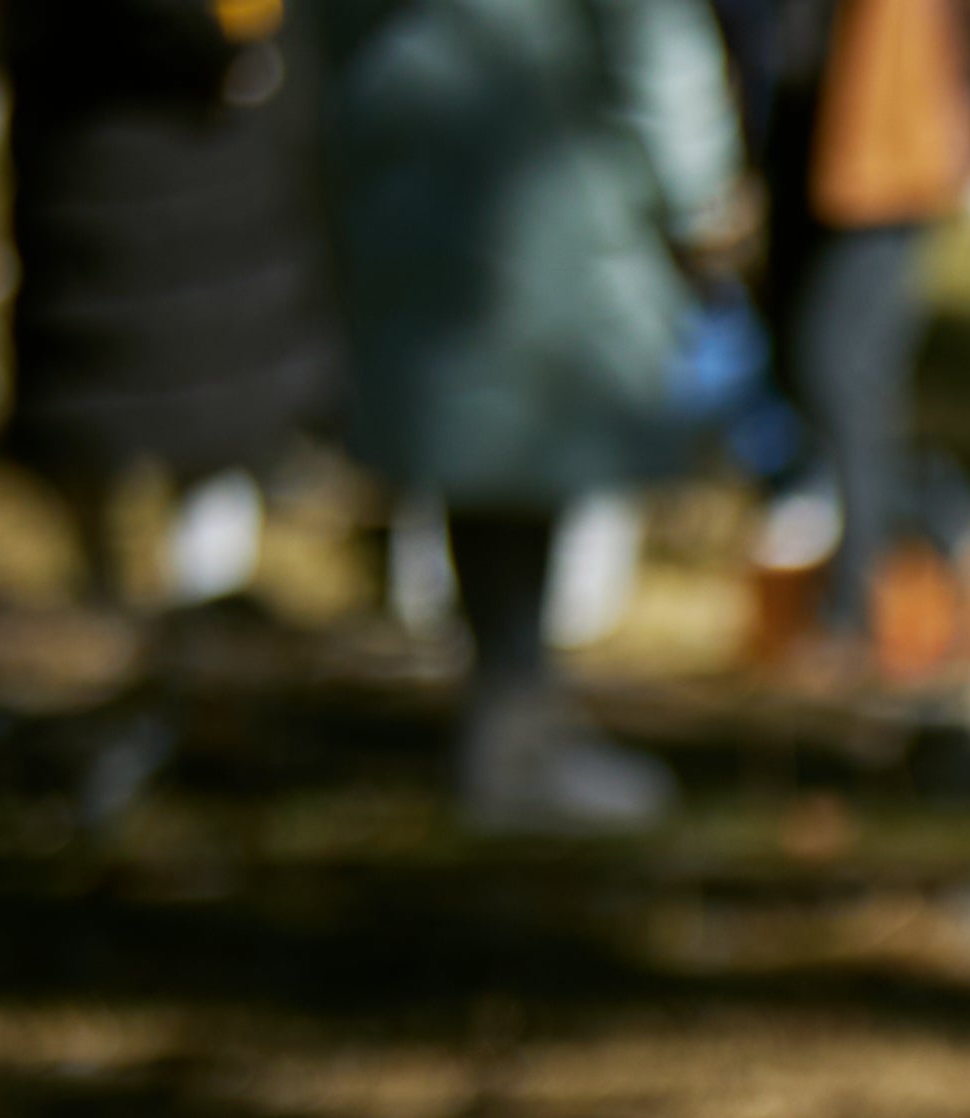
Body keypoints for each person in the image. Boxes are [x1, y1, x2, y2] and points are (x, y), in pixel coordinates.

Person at [308, 0, 745, 830]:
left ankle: (511, 712)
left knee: (479, 463)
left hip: (407, 179)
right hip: (553, 200)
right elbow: (652, 36)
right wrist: (704, 195)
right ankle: (511, 737)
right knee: (521, 465)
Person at [717, 0, 970, 691]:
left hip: (884, 133)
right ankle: (964, 527)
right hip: (784, 134)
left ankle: (854, 623)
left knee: (841, 370)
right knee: (796, 377)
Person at [0, 0, 342, 616]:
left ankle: (127, 608)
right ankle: (172, 628)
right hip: (171, 150)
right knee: (204, 406)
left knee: (137, 405)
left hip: (112, 151)